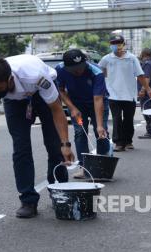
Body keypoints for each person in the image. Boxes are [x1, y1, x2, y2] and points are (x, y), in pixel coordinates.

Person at [0, 55, 75, 218]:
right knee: (20, 147)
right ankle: (28, 200)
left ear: (8, 79)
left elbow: (57, 109)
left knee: (54, 145)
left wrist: (65, 144)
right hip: (15, 103)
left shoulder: (34, 75)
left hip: (40, 94)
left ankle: (60, 191)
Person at [55, 49, 109, 179]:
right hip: (76, 103)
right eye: (74, 69)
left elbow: (98, 99)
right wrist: (72, 108)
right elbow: (60, 90)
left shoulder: (96, 72)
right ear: (67, 67)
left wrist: (100, 125)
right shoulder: (60, 69)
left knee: (100, 133)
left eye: (81, 67)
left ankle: (102, 166)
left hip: (96, 101)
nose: (79, 71)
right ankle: (84, 168)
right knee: (80, 132)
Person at [98, 35, 151, 151]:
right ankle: (118, 142)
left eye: (119, 43)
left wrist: (148, 89)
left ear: (123, 44)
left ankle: (128, 141)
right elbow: (100, 73)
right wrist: (104, 86)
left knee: (128, 119)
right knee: (116, 118)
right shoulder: (106, 59)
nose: (116, 45)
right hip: (113, 94)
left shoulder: (132, 58)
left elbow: (140, 75)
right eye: (113, 43)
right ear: (110, 45)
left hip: (129, 94)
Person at [137, 48, 151, 139]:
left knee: (147, 111)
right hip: (149, 90)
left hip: (147, 92)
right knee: (150, 111)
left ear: (143, 54)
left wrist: (143, 90)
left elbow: (146, 78)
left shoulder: (147, 64)